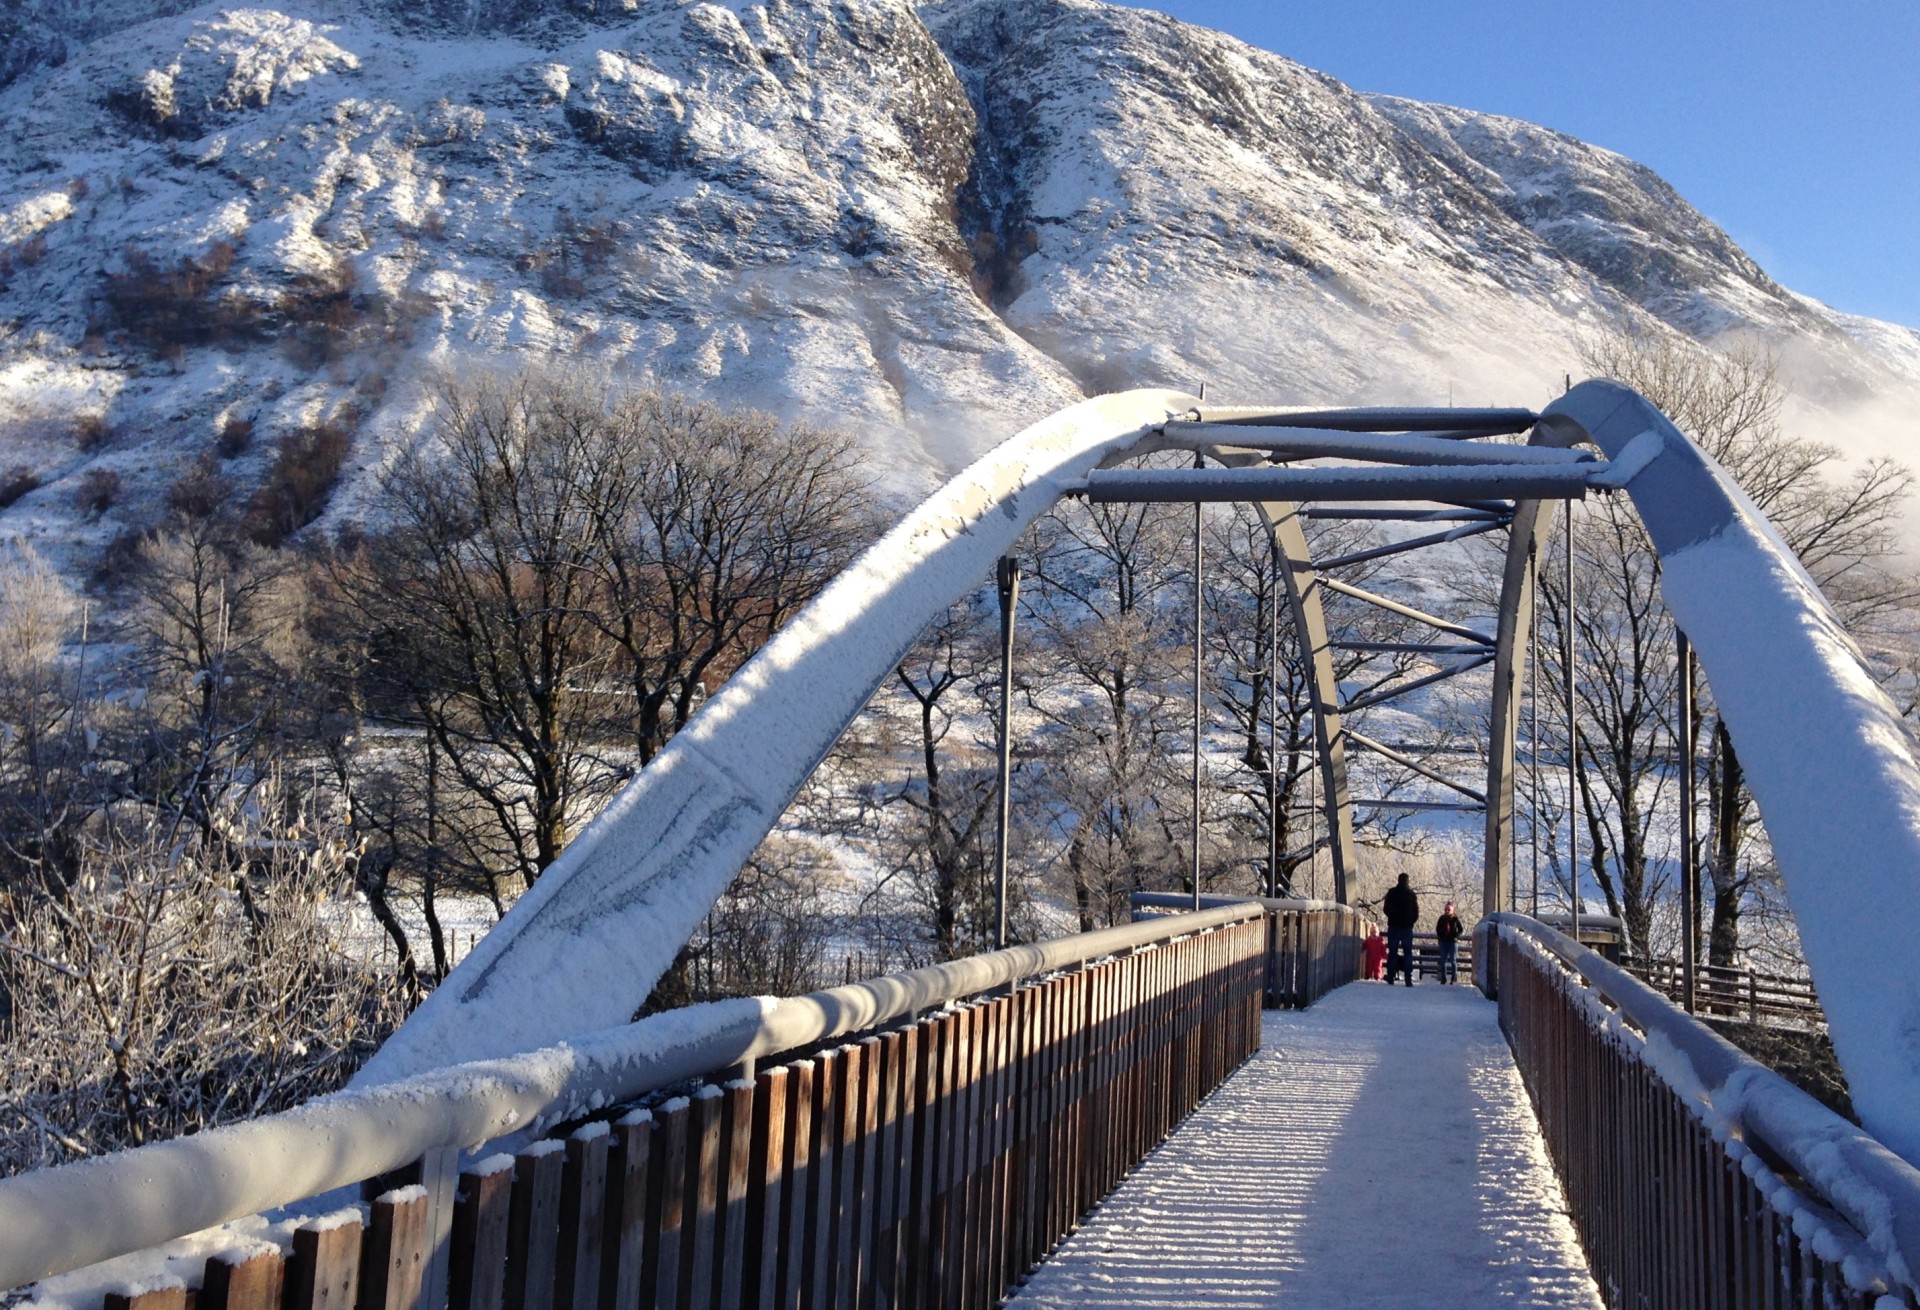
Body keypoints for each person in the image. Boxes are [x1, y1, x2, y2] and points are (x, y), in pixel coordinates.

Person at [1382, 873, 1418, 986]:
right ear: (1407, 881)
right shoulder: (1411, 894)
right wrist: (1410, 922)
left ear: (1398, 880)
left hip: (1393, 926)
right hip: (1407, 927)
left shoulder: (1391, 892)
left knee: (1392, 952)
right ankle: (1408, 978)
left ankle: (1391, 976)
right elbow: (1416, 912)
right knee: (1408, 953)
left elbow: (1386, 909)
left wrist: (1392, 917)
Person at [1434, 900, 1464, 985]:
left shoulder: (1455, 919)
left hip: (1452, 942)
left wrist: (1456, 936)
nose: (1447, 911)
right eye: (1446, 909)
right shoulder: (1441, 918)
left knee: (1453, 960)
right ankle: (1443, 977)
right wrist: (1440, 936)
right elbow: (1437, 929)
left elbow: (1461, 929)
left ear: (1452, 910)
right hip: (1443, 942)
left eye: (1449, 910)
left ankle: (1453, 977)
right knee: (1442, 961)